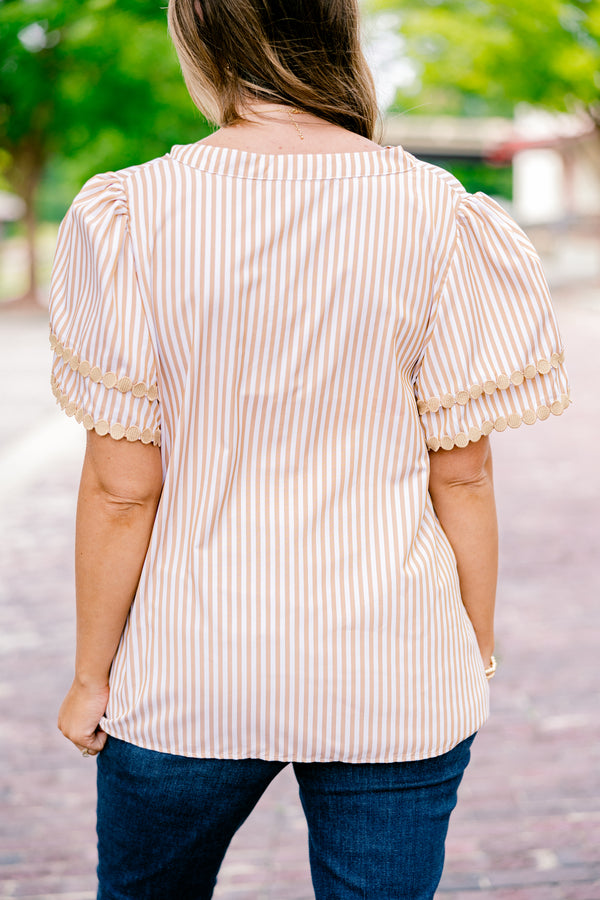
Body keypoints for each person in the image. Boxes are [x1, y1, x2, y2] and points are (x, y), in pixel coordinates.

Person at [49, 1, 570, 897]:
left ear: (201, 35)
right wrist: (469, 648)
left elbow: (122, 489)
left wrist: (92, 676)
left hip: (187, 671)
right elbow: (465, 472)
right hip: (393, 668)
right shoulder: (439, 212)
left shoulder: (132, 213)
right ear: (339, 34)